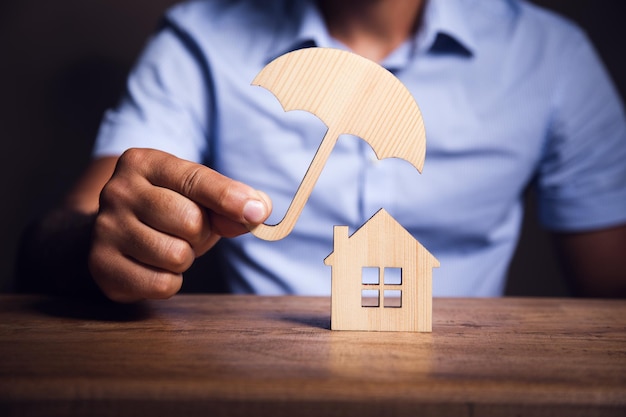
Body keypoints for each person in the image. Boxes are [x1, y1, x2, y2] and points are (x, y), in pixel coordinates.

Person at [18, 0, 626, 302]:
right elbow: (58, 240)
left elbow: (610, 301)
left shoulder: (552, 56)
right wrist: (106, 241)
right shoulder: (200, 39)